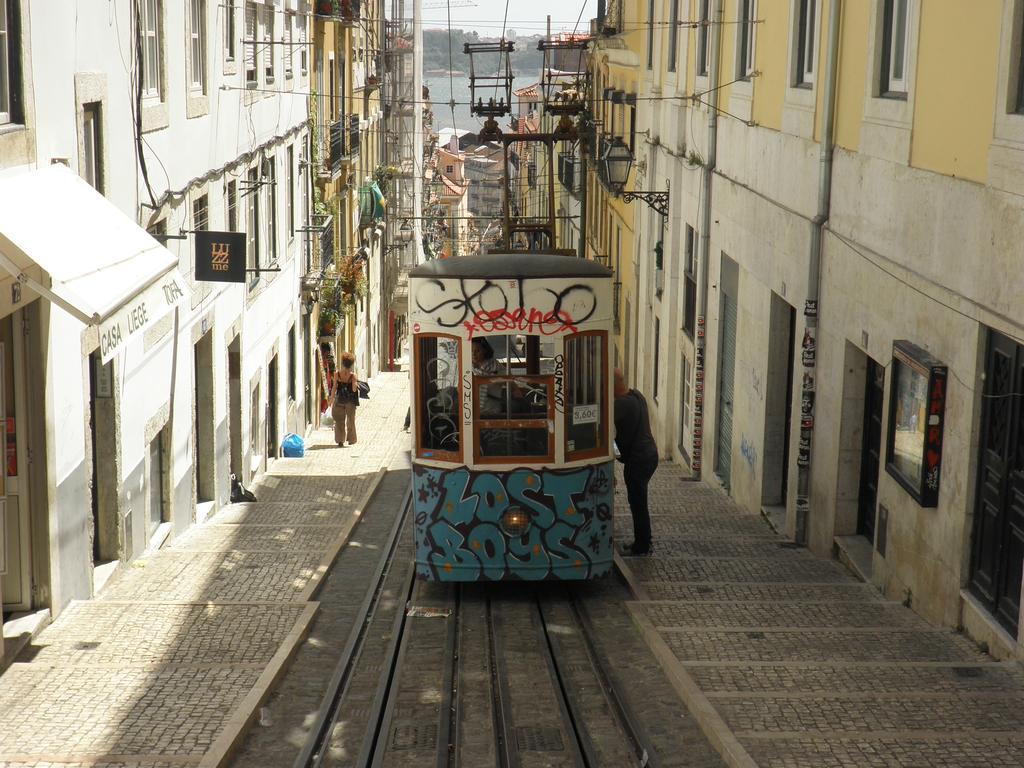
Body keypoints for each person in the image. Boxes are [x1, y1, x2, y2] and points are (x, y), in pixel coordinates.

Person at [613, 367, 658, 556]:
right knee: (639, 501)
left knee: (638, 502)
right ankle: (644, 541)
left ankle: (642, 546)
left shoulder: (621, 405)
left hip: (638, 459)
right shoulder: (637, 395)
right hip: (649, 454)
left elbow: (601, 423)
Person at [332, 351, 360, 446]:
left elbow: (334, 387)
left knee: (339, 420)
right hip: (350, 401)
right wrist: (356, 383)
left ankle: (340, 440)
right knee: (350, 420)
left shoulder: (337, 374)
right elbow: (354, 388)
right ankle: (351, 440)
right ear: (351, 364)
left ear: (343, 363)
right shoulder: (353, 376)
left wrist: (331, 399)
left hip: (339, 399)